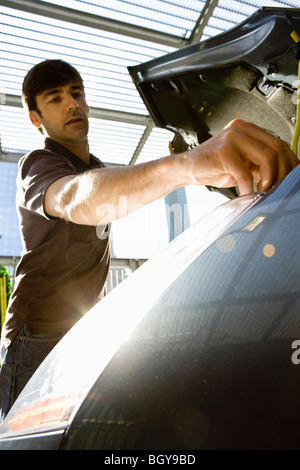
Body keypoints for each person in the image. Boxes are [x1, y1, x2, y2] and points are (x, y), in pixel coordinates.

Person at [0, 59, 298, 422]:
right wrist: (184, 165)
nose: (72, 104)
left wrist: (190, 167)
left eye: (76, 93)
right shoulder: (39, 165)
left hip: (79, 332)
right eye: (55, 98)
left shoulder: (97, 168)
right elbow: (74, 198)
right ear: (36, 118)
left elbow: (113, 199)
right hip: (35, 338)